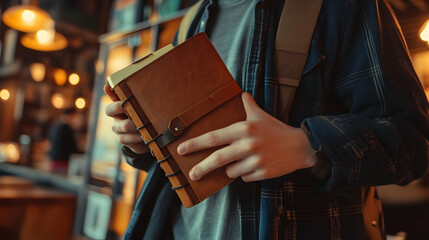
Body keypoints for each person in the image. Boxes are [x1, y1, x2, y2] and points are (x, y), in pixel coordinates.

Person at [104, 0, 429, 239]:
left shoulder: (342, 7)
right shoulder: (193, 19)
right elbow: (189, 158)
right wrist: (145, 142)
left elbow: (415, 142)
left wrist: (307, 146)